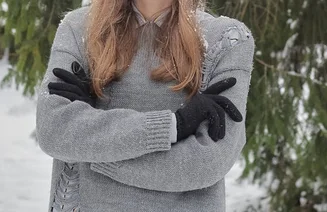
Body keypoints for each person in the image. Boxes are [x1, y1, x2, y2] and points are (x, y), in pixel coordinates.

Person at [35, 0, 255, 211]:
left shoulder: (226, 39)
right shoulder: (80, 29)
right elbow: (53, 130)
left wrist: (94, 150)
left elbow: (207, 163)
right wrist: (172, 126)